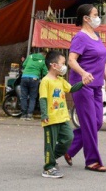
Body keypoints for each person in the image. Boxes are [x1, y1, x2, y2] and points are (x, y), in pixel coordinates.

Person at [65, 3, 106, 173]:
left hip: (97, 85)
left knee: (97, 122)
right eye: (95, 14)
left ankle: (68, 148)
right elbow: (71, 61)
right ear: (86, 18)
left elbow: (102, 62)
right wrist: (83, 73)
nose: (98, 17)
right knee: (90, 123)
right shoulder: (80, 37)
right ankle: (92, 161)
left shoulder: (96, 36)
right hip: (82, 85)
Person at [39, 50, 84, 179]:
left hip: (63, 117)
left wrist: (83, 83)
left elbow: (71, 89)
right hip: (51, 118)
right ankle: (48, 168)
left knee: (69, 138)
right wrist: (44, 115)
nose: (65, 66)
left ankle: (51, 158)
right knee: (50, 143)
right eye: (63, 63)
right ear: (54, 65)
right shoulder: (45, 81)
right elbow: (43, 99)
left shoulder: (60, 80)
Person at [20, 49, 48, 120]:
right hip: (34, 78)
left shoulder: (30, 56)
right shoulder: (43, 61)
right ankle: (29, 115)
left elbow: (24, 64)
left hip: (24, 77)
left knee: (23, 97)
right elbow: (45, 72)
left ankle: (23, 115)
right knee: (33, 97)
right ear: (44, 55)